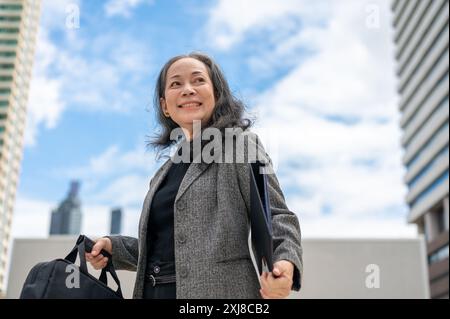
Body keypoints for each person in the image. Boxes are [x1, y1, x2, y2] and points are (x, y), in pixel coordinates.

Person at [85, 52, 303, 299]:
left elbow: (276, 215)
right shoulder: (162, 175)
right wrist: (115, 247)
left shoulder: (242, 146)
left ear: (217, 94)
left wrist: (285, 262)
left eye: (198, 80)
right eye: (176, 84)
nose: (187, 89)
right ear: (165, 106)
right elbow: (175, 247)